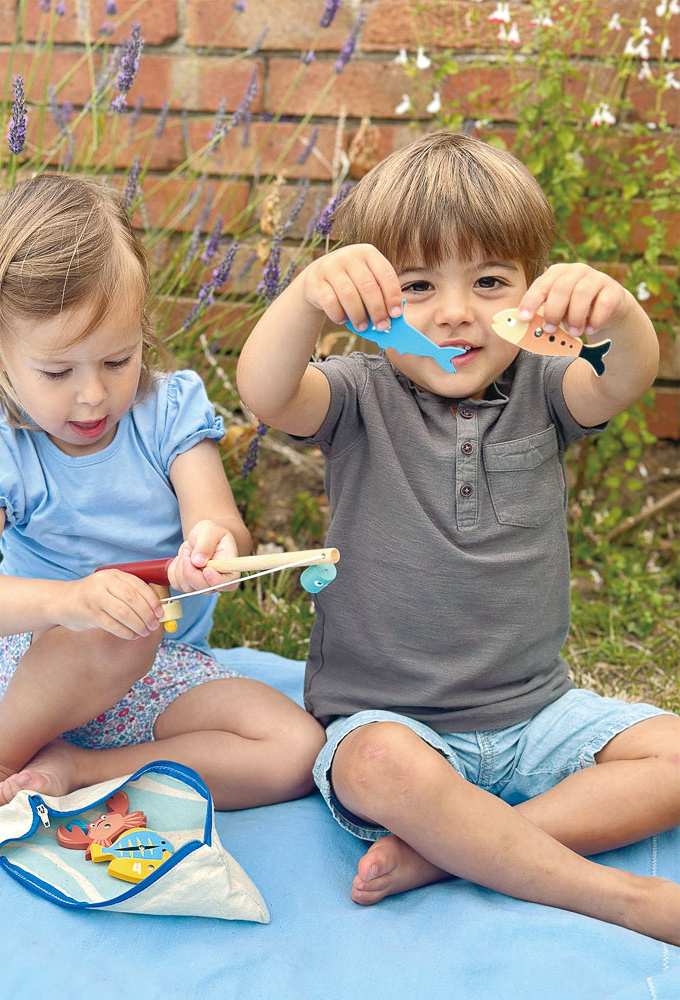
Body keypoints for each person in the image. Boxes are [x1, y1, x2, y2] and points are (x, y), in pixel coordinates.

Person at [236, 131, 680, 944]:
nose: (454, 312)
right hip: (393, 723)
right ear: (370, 303)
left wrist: (619, 316)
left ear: (531, 289)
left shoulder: (547, 388)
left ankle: (451, 851)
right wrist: (303, 299)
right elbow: (266, 392)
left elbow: (627, 375)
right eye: (416, 285)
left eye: (488, 281)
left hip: (535, 713)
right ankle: (611, 896)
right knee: (375, 768)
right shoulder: (354, 395)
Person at [0, 173, 324, 846]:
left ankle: (83, 769)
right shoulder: (3, 446)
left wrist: (213, 546)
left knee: (295, 749)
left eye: (117, 359)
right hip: (48, 668)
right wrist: (67, 602)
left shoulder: (166, 413)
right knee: (119, 632)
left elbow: (220, 521)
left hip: (164, 667)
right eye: (58, 372)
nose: (92, 397)